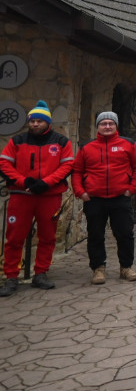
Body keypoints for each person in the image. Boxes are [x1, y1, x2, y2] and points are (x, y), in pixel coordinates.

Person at [0, 101, 74, 295]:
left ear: (47, 122)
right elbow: (4, 164)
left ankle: (41, 273)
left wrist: (47, 182)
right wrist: (23, 181)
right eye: (32, 121)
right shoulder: (17, 141)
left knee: (48, 236)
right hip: (21, 195)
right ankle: (11, 276)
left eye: (40, 121)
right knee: (14, 237)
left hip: (49, 196)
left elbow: (67, 166)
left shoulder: (61, 142)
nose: (35, 124)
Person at [71, 111, 136, 284]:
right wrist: (80, 192)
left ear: (116, 126)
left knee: (125, 234)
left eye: (111, 123)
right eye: (103, 123)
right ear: (98, 126)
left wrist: (132, 188)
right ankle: (98, 268)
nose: (107, 126)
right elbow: (77, 171)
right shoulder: (87, 147)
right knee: (96, 234)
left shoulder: (128, 144)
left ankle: (126, 267)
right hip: (94, 199)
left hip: (120, 197)